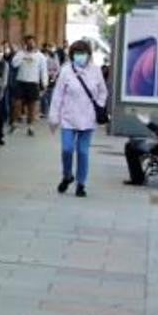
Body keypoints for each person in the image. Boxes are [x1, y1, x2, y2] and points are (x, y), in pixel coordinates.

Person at [48, 40, 108, 198]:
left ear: (89, 55)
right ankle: (67, 175)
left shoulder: (96, 71)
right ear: (72, 55)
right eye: (76, 54)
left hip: (88, 119)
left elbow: (103, 92)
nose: (80, 57)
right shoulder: (66, 71)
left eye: (83, 54)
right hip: (68, 118)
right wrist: (54, 117)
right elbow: (58, 95)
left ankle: (81, 183)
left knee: (83, 152)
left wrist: (99, 106)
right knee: (67, 149)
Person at [125, 89, 158, 185]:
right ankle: (138, 177)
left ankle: (137, 179)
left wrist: (148, 124)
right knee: (134, 142)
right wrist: (148, 123)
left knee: (130, 146)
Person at [11, 35, 48, 137]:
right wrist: (24, 55)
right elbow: (14, 64)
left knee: (32, 107)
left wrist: (44, 83)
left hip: (33, 83)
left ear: (35, 43)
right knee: (17, 104)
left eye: (32, 42)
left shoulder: (40, 56)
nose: (30, 44)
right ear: (25, 43)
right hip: (21, 82)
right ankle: (14, 124)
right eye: (28, 43)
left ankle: (30, 127)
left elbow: (43, 71)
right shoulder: (20, 53)